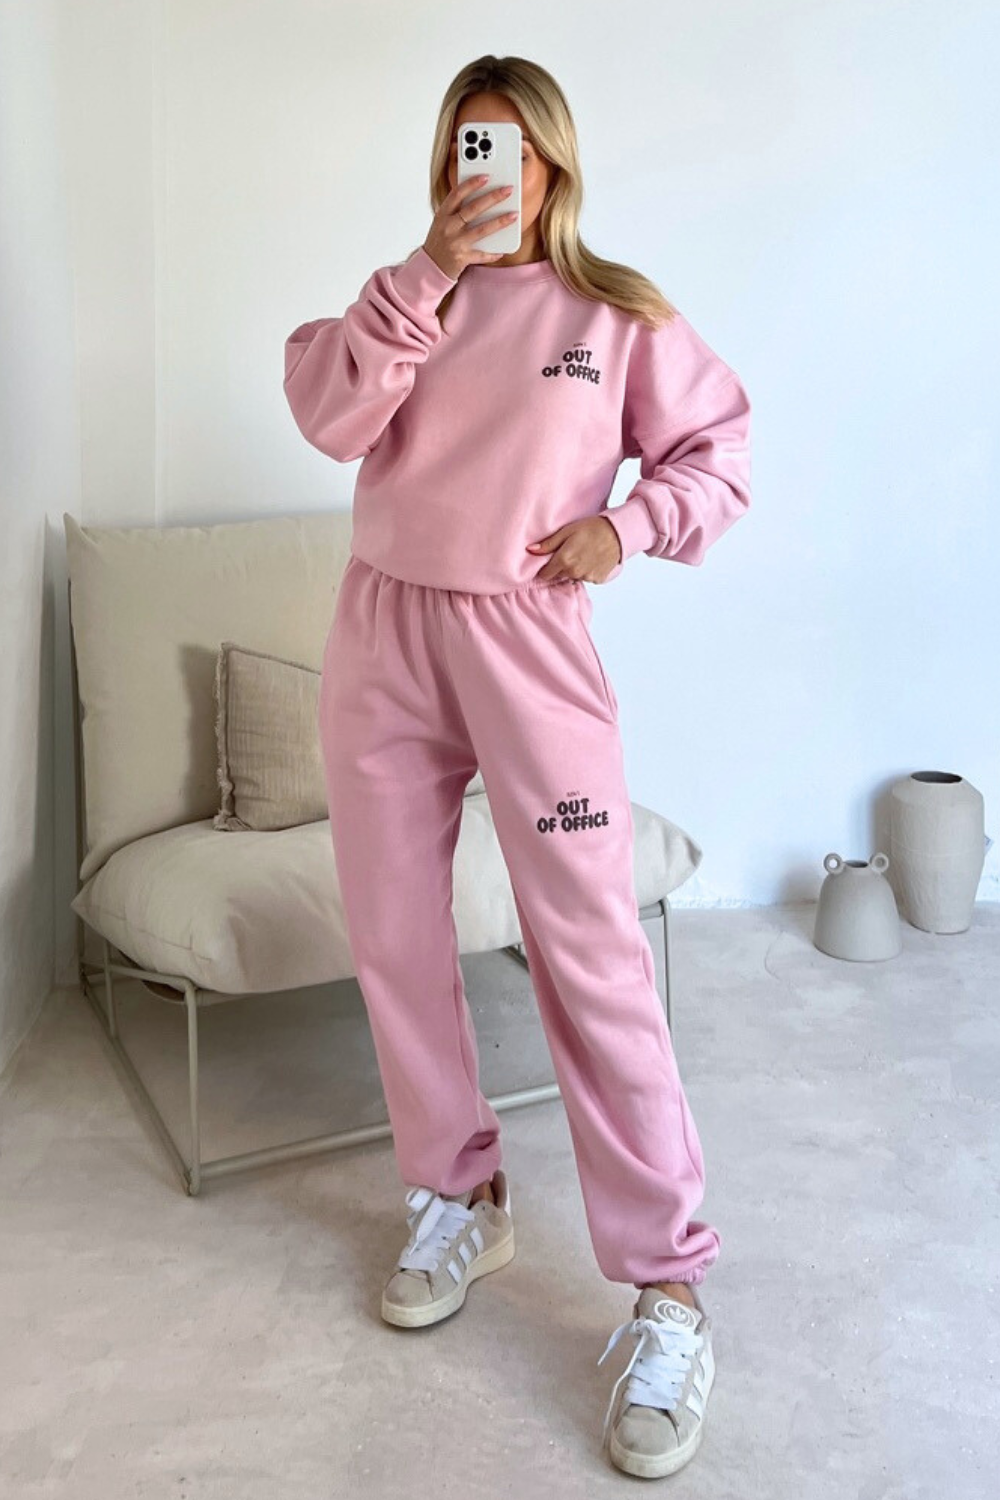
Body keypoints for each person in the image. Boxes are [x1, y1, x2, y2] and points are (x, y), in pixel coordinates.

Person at [283, 53, 751, 1481]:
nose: (480, 173)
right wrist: (428, 270)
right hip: (384, 630)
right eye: (460, 148)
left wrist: (633, 523)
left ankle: (668, 1287)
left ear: (552, 163)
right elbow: (330, 417)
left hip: (528, 639)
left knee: (588, 949)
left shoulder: (616, 315)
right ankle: (458, 1197)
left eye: (505, 148)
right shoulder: (401, 303)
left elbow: (718, 451)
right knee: (394, 935)